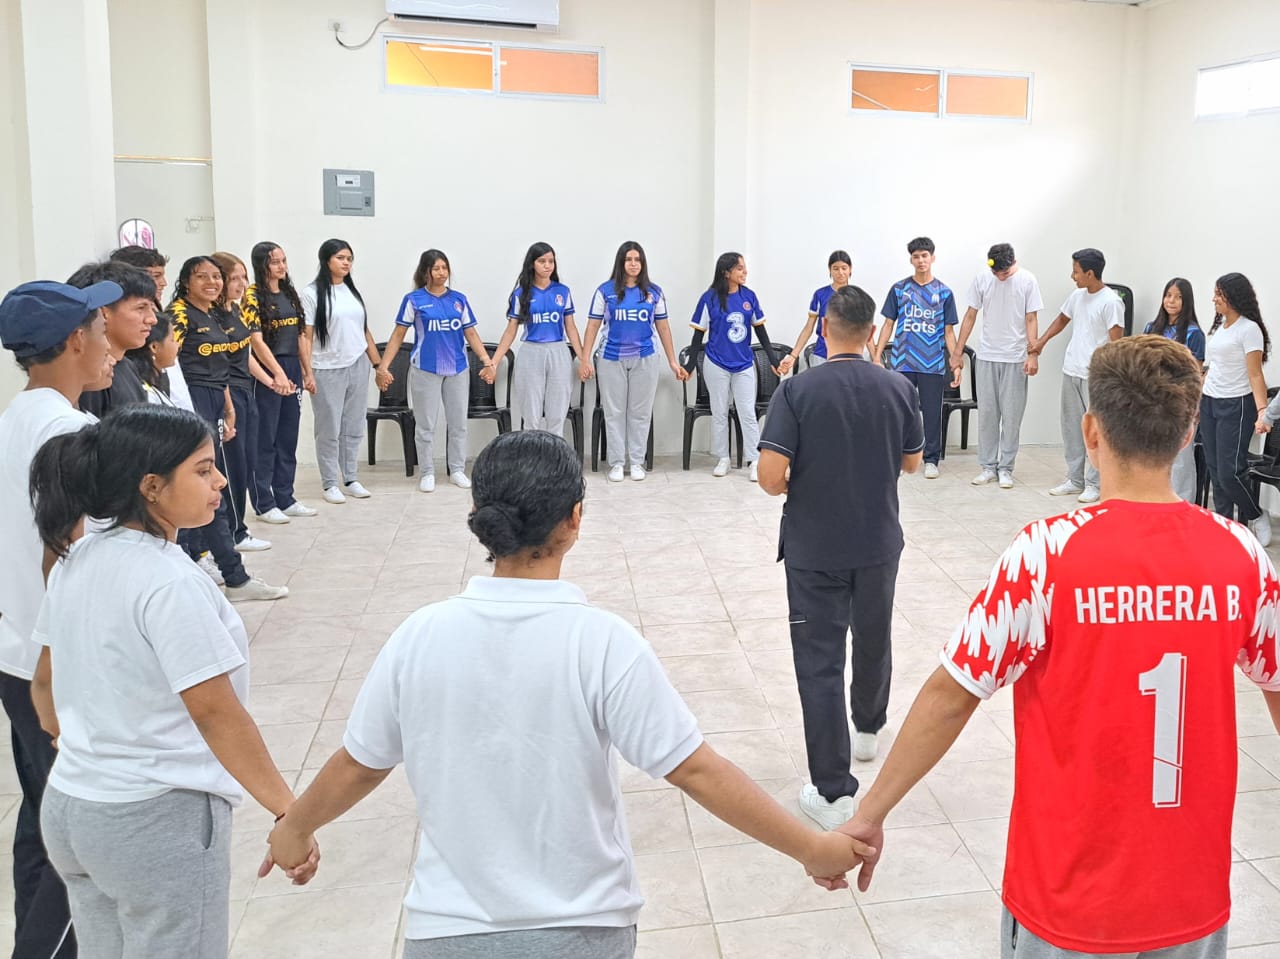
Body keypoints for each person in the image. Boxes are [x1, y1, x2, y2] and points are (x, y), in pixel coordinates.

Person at [264, 430, 871, 957]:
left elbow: (360, 765)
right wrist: (811, 848)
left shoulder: (418, 636)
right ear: (575, 520)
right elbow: (695, 770)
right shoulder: (601, 643)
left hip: (446, 932)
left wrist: (294, 829)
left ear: (478, 513)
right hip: (582, 929)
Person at [832, 335, 1279, 959]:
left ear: (1091, 431)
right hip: (1192, 897)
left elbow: (952, 694)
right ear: (1188, 434)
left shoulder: (1044, 555)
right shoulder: (1241, 556)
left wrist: (869, 813)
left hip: (1068, 900)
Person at [28, 405, 318, 959]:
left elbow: (44, 684)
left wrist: (86, 747)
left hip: (72, 808)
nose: (221, 482)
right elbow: (215, 712)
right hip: (153, 821)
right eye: (203, 470)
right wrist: (289, 812)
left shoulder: (76, 557)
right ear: (152, 487)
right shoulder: (167, 581)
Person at [756, 286, 924, 829]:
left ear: (824, 330)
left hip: (815, 548)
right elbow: (913, 463)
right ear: (872, 333)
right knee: (873, 635)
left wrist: (804, 483)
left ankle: (832, 793)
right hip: (877, 542)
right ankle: (868, 727)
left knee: (820, 662)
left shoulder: (796, 390)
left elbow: (769, 477)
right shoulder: (898, 387)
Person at [0, 278, 120, 959]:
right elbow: (67, 557)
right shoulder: (70, 431)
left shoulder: (15, 417)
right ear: (76, 339)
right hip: (58, 668)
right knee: (80, 846)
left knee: (42, 823)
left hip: (17, 654)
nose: (110, 346)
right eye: (101, 331)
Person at [168, 256, 287, 602]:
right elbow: (166, 363)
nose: (212, 283)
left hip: (218, 398)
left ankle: (220, 564)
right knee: (201, 486)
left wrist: (229, 408)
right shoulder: (178, 314)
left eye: (216, 277)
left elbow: (223, 366)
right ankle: (207, 562)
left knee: (216, 484)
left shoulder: (215, 314)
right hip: (191, 401)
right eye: (202, 277)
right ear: (185, 281)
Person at [377, 250, 493, 493]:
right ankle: (427, 472)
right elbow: (398, 334)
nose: (442, 273)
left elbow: (471, 333)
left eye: (445, 268)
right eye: (436, 268)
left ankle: (457, 470)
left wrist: (486, 361)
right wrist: (383, 366)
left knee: (458, 423)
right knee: (426, 425)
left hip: (458, 369)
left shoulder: (459, 299)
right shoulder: (414, 300)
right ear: (425, 272)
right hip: (425, 368)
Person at [580, 241, 689, 483]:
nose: (633, 264)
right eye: (628, 259)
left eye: (637, 260)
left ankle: (637, 461)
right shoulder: (605, 291)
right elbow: (593, 326)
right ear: (621, 262)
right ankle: (617, 463)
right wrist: (585, 359)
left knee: (640, 412)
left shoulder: (654, 292)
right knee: (614, 412)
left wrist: (673, 361)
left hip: (645, 358)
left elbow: (663, 327)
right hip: (611, 359)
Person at [1029, 248, 1124, 505]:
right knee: (1072, 428)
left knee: (1096, 431)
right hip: (1071, 369)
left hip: (1096, 376)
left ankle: (1095, 483)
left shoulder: (1111, 302)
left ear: (1090, 273)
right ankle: (1074, 479)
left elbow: (1117, 343)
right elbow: (1062, 320)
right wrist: (1041, 342)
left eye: (1076, 272)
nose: (1073, 276)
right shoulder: (1077, 296)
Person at [300, 238, 390, 504]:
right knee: (329, 429)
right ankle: (330, 483)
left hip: (357, 365)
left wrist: (378, 366)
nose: (346, 263)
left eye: (349, 258)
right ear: (326, 260)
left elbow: (364, 331)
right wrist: (307, 372)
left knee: (353, 425)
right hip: (327, 369)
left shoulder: (352, 292)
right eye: (340, 258)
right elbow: (306, 336)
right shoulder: (311, 294)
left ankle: (351, 478)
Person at [952, 243, 1044, 489]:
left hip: (1015, 358)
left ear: (1014, 263)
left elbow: (1031, 318)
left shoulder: (1027, 280)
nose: (1000, 277)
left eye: (1005, 273)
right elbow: (970, 315)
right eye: (996, 273)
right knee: (988, 416)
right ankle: (988, 467)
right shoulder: (983, 279)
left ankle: (1006, 468)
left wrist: (1033, 355)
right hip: (987, 356)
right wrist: (957, 352)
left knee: (1012, 417)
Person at [686, 252, 781, 480]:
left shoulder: (749, 296)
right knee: (719, 412)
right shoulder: (709, 298)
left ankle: (754, 459)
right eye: (740, 268)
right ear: (726, 272)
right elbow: (698, 335)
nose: (744, 272)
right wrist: (689, 366)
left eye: (744, 268)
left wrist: (773, 360)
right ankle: (723, 458)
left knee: (747, 412)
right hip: (716, 362)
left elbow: (761, 331)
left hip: (743, 363)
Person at [872, 237, 960, 479]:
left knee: (932, 413)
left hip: (932, 364)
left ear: (933, 258)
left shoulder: (944, 292)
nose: (921, 260)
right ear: (911, 259)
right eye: (916, 256)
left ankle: (931, 460)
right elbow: (888, 324)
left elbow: (949, 332)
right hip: (903, 362)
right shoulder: (899, 289)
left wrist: (956, 362)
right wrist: (877, 356)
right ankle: (899, 458)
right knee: (900, 411)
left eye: (925, 256)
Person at [242, 242, 316, 524]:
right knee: (265, 438)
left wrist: (307, 372)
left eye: (283, 260)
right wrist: (276, 373)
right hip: (268, 369)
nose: (281, 266)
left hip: (292, 367)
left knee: (287, 436)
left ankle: (286, 497)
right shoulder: (252, 296)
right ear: (262, 265)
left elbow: (300, 336)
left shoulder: (289, 293)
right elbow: (255, 341)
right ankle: (264, 502)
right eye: (275, 262)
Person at [211, 251, 278, 553]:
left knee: (247, 461)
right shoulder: (211, 318)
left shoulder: (236, 310)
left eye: (243, 277)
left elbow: (246, 354)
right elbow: (218, 365)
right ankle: (233, 532)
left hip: (245, 391)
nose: (241, 284)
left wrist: (270, 380)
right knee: (231, 466)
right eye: (234, 278)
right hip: (227, 394)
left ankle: (239, 527)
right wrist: (228, 407)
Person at [1198, 272, 1271, 544]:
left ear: (1233, 296)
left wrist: (1262, 411)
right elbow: (1213, 366)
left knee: (1230, 473)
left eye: (1219, 294)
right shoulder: (1221, 327)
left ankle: (1255, 514)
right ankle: (1225, 526)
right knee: (1215, 470)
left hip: (1236, 405)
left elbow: (1255, 374)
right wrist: (1198, 399)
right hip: (1210, 402)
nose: (1214, 299)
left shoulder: (1249, 329)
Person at [490, 241, 584, 434]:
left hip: (558, 351)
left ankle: (555, 451)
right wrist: (494, 362)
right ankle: (532, 451)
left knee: (557, 412)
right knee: (531, 413)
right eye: (542, 261)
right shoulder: (521, 294)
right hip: (531, 352)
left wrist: (583, 359)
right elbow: (511, 330)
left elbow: (571, 327)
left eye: (551, 261)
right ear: (532, 264)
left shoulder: (562, 291)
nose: (547, 265)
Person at [68, 260, 158, 415]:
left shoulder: (127, 366)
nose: (152, 319)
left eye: (151, 307)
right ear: (103, 313)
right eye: (141, 308)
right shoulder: (91, 378)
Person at [1145, 278, 1206, 503]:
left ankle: (1183, 504)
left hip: (1181, 401)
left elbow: (1196, 372)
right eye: (1168, 295)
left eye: (1178, 297)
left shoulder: (1193, 333)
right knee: (1153, 453)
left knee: (1181, 457)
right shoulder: (1151, 328)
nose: (1171, 301)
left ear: (1186, 301)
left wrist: (1194, 404)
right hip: (1153, 398)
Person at [778, 250, 857, 374]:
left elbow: (864, 329)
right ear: (829, 270)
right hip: (822, 356)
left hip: (849, 357)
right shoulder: (820, 295)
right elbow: (808, 328)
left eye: (844, 268)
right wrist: (793, 356)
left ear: (850, 269)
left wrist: (875, 358)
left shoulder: (857, 296)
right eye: (835, 268)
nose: (840, 273)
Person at [125, 310, 191, 410]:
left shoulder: (153, 382)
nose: (177, 345)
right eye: (172, 339)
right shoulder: (145, 393)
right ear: (154, 347)